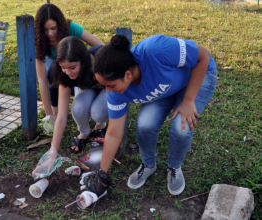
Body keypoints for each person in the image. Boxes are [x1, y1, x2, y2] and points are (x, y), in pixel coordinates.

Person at [83, 34, 217, 197]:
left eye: (110, 85)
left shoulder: (156, 49)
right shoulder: (115, 93)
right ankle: (148, 165)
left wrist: (188, 100)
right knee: (145, 125)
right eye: (105, 86)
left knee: (181, 128)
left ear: (127, 75)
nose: (108, 91)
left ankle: (174, 166)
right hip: (165, 87)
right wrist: (102, 174)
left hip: (198, 75)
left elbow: (203, 55)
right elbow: (113, 132)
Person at [32, 36, 108, 178]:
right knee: (78, 109)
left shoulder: (101, 62)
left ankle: (100, 126)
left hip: (108, 88)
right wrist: (52, 154)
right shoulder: (64, 73)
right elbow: (61, 117)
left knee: (98, 111)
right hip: (88, 87)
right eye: (63, 67)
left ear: (83, 61)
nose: (68, 72)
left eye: (72, 67)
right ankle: (84, 133)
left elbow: (119, 94)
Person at [34, 3, 105, 120]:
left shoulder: (71, 28)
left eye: (53, 28)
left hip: (82, 71)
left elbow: (102, 46)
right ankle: (56, 111)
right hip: (63, 74)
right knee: (53, 70)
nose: (50, 33)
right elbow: (42, 81)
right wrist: (49, 116)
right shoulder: (39, 40)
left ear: (60, 25)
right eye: (45, 30)